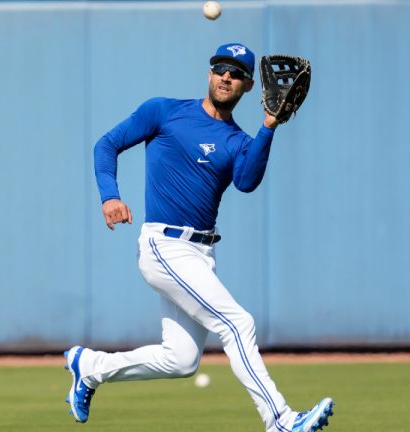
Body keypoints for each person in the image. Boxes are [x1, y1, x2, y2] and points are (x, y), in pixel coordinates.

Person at [64, 43, 334, 432]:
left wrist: (269, 126)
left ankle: (89, 368)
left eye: (236, 72)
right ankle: (281, 421)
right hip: (164, 246)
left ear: (248, 85)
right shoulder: (164, 111)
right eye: (221, 68)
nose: (227, 76)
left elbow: (246, 182)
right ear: (209, 73)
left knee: (181, 360)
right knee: (238, 324)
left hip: (199, 252)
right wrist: (110, 196)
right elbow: (106, 144)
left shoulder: (240, 141)